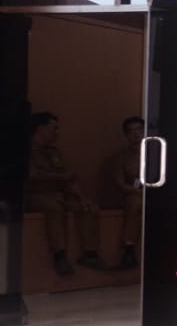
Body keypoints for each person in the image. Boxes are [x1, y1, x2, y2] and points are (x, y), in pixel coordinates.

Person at [25, 111, 104, 274]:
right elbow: (32, 175)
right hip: (35, 195)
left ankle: (90, 254)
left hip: (60, 195)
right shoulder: (26, 151)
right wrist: (61, 177)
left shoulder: (54, 152)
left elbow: (69, 178)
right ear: (40, 128)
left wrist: (82, 198)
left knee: (88, 208)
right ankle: (59, 255)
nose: (57, 132)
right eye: (53, 128)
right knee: (54, 208)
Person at [101, 114, 143, 269]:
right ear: (126, 135)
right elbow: (120, 183)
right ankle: (129, 249)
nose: (136, 134)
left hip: (157, 192)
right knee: (134, 203)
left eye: (139, 129)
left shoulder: (156, 150)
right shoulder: (121, 157)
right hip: (135, 193)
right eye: (131, 131)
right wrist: (138, 192)